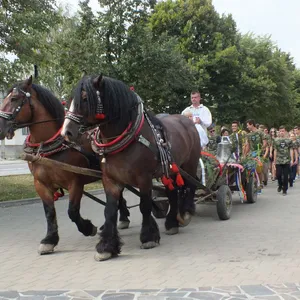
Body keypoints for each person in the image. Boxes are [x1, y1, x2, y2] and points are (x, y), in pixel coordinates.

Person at [244, 119, 268, 194]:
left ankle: (260, 185)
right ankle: (253, 185)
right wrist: (245, 155)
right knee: (251, 171)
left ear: (251, 124)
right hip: (251, 155)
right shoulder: (248, 135)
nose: (247, 127)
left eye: (248, 125)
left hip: (258, 154)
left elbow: (265, 143)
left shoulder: (260, 133)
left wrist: (260, 150)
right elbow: (247, 146)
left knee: (258, 170)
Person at [273, 126, 294, 195]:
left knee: (285, 176)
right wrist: (274, 160)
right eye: (280, 131)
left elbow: (291, 150)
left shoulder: (289, 140)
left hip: (286, 160)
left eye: (283, 131)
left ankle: (285, 190)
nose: (282, 132)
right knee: (278, 175)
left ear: (285, 132)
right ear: (279, 132)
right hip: (279, 160)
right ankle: (280, 185)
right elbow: (275, 150)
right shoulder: (276, 140)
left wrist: (292, 159)